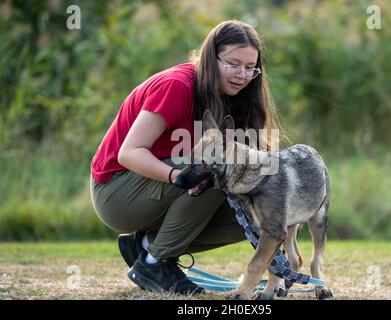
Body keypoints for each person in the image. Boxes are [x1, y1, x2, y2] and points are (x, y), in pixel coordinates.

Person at [90, 20, 282, 295]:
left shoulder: (238, 96)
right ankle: (154, 264)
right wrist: (177, 176)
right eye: (232, 63)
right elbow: (129, 153)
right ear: (210, 57)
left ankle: (147, 247)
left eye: (250, 67)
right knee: (217, 172)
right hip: (117, 192)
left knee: (255, 213)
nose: (242, 74)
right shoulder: (176, 86)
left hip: (162, 189)